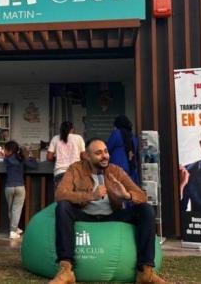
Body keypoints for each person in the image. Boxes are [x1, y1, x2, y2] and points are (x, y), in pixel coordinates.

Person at [50, 138, 164, 284]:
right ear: (87, 156)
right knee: (63, 207)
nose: (104, 156)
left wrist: (126, 196)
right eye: (98, 153)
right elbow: (60, 194)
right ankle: (66, 270)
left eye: (106, 151)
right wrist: (91, 196)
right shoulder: (75, 169)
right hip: (85, 215)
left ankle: (145, 272)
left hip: (112, 215)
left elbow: (141, 196)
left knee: (146, 210)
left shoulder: (115, 170)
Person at [3, 140, 37, 239]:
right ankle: (14, 229)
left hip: (9, 187)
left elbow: (5, 159)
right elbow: (34, 166)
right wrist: (31, 157)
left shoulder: (6, 159)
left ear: (9, 151)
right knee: (16, 210)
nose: (4, 151)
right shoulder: (22, 159)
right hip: (20, 187)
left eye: (5, 149)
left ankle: (13, 230)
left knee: (10, 209)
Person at [47, 121, 85, 188]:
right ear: (72, 129)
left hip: (59, 172)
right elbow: (83, 156)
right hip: (75, 172)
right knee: (76, 196)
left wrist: (57, 158)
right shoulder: (78, 138)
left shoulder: (55, 138)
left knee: (61, 196)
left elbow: (49, 157)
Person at [106, 115, 140, 185]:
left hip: (117, 167)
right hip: (131, 168)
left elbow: (108, 148)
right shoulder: (132, 136)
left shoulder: (116, 133)